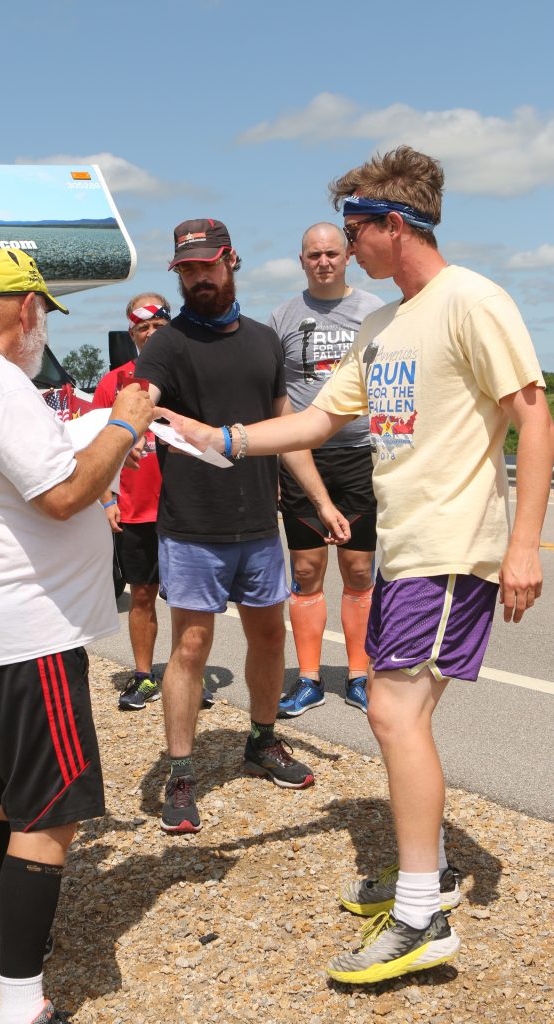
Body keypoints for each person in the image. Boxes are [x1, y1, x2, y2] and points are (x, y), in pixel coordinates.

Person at [156, 149, 554, 982]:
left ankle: (419, 917)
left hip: (450, 547)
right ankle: (424, 875)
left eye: (353, 230)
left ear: (393, 225)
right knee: (401, 718)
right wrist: (219, 436)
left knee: (393, 715)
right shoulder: (382, 327)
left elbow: (531, 413)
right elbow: (312, 422)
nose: (344, 248)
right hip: (407, 546)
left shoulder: (472, 300)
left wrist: (523, 544)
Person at [0, 248, 153, 1024]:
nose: (41, 327)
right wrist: (124, 424)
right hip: (28, 634)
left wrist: (93, 431)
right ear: (25, 310)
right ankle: (22, 1003)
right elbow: (64, 493)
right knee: (47, 818)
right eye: (42, 313)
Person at [135, 218, 335, 835]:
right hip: (193, 526)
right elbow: (142, 399)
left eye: (207, 265)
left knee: (270, 638)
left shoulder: (264, 342)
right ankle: (180, 772)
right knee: (191, 646)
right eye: (187, 269)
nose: (198, 277)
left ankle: (262, 740)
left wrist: (320, 500)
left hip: (258, 526)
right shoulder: (167, 345)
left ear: (231, 261)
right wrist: (128, 431)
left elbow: (286, 430)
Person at [271, 223, 383, 717]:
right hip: (302, 458)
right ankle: (310, 678)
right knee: (305, 569)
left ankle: (359, 674)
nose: (323, 262)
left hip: (360, 454)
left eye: (332, 254)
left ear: (348, 256)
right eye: (314, 255)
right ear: (301, 260)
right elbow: (275, 398)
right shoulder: (282, 317)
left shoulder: (374, 311)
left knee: (358, 568)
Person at [93, 293, 216, 711]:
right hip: (136, 508)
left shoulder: (191, 374)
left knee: (188, 600)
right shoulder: (114, 383)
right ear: (132, 333)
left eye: (158, 326)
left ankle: (190, 674)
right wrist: (106, 499)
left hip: (186, 506)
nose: (149, 334)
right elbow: (95, 445)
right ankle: (144, 676)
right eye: (142, 328)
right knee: (142, 595)